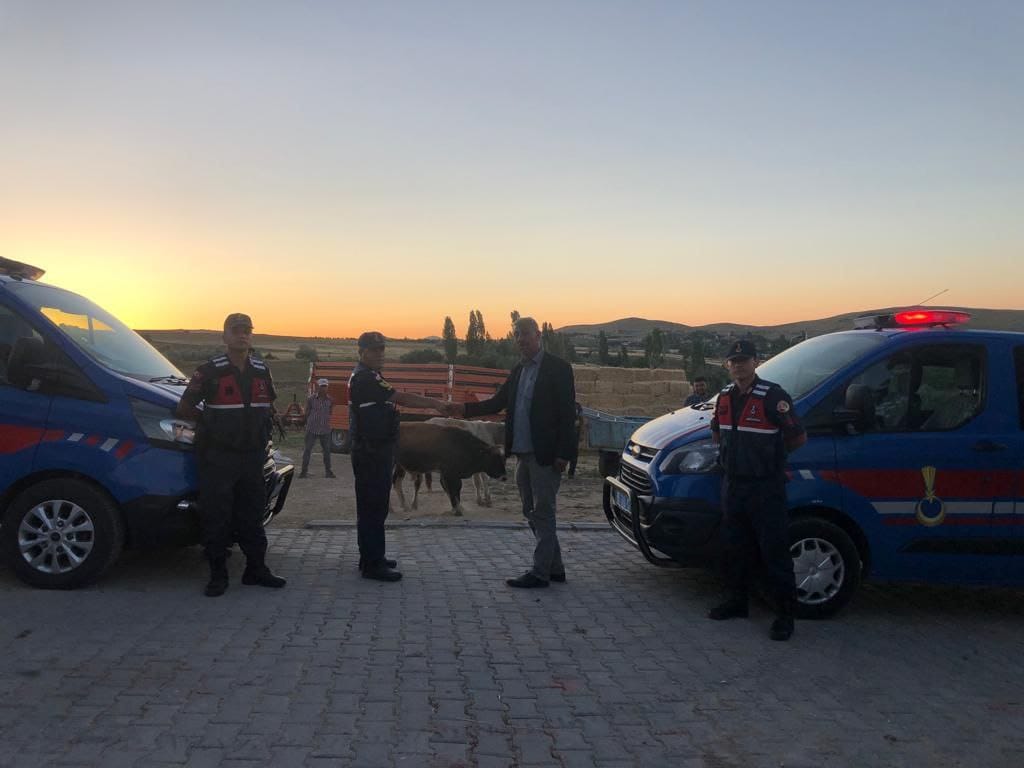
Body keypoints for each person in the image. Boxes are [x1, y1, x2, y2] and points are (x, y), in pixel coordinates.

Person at [447, 316, 577, 589]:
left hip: (545, 455)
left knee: (543, 511)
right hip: (521, 453)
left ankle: (540, 573)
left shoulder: (558, 368)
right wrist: (463, 409)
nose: (520, 340)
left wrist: (565, 454)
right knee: (530, 510)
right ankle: (555, 568)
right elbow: (496, 403)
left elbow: (568, 415)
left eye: (525, 334)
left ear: (538, 335)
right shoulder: (518, 370)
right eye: (516, 335)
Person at [177, 313, 287, 597]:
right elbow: (185, 407)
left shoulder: (261, 370)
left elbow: (269, 405)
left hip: (253, 457)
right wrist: (211, 425)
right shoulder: (209, 370)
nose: (242, 335)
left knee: (253, 515)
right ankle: (218, 575)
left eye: (247, 330)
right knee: (217, 516)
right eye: (236, 330)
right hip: (219, 458)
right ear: (224, 336)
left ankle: (256, 570)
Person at [708, 339, 806, 640]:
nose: (739, 365)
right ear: (728, 365)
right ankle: (737, 602)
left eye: (744, 360)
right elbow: (717, 433)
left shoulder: (773, 396)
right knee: (735, 548)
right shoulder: (724, 397)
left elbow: (797, 437)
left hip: (766, 487)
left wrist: (770, 459)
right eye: (734, 361)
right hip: (734, 485)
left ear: (756, 362)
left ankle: (785, 616)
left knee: (774, 552)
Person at [349, 331, 449, 582]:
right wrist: (435, 403)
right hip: (371, 451)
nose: (380, 354)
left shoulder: (368, 375)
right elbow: (401, 398)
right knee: (373, 507)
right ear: (361, 352)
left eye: (382, 349)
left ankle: (372, 556)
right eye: (374, 350)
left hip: (374, 449)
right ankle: (372, 564)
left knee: (373, 506)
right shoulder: (366, 377)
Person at [299, 378, 335, 478]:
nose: (323, 388)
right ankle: (303, 472)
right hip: (312, 428)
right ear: (318, 387)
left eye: (325, 386)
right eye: (322, 386)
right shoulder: (311, 399)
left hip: (325, 429)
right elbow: (307, 411)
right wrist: (307, 421)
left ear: (327, 387)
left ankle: (328, 472)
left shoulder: (330, 400)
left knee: (327, 451)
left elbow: (330, 412)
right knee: (307, 450)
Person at [567, 401, 583, 478]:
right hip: (565, 434)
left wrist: (581, 434)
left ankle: (571, 473)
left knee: (574, 454)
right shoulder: (563, 403)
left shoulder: (577, 406)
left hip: (574, 434)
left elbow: (581, 420)